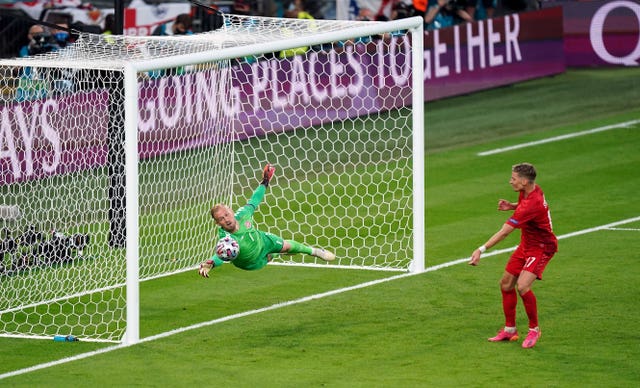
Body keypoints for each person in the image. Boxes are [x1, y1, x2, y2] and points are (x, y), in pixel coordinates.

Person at [468, 162, 558, 349]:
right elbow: (525, 205)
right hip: (526, 244)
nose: (510, 181)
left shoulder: (531, 205)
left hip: (542, 247)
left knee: (523, 286)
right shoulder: (530, 191)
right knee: (506, 284)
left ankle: (534, 329)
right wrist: (512, 206)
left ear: (525, 181)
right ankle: (510, 330)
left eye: (514, 179)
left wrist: (480, 249)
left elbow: (504, 232)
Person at [198, 164, 336, 277]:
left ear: (232, 212)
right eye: (221, 219)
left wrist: (265, 181)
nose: (226, 219)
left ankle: (314, 252)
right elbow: (222, 254)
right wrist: (211, 263)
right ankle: (275, 253)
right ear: (217, 223)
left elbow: (254, 200)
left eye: (227, 214)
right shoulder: (227, 238)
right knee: (271, 255)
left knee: (286, 245)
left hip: (262, 240)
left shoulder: (243, 214)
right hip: (251, 262)